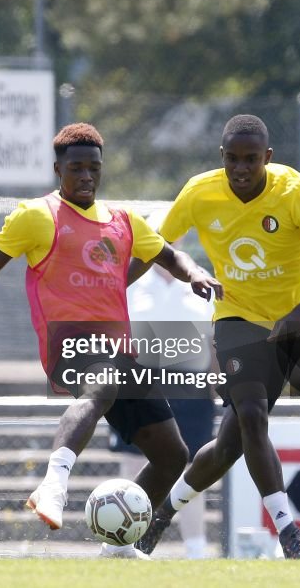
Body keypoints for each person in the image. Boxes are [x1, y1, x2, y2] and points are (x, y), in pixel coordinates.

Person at [0, 122, 222, 559]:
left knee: (171, 455)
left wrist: (194, 272)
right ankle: (54, 482)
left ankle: (118, 545)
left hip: (119, 354)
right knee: (103, 379)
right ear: (57, 170)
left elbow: (168, 253)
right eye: (76, 168)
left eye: (94, 168)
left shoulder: (123, 221)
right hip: (67, 343)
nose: (86, 176)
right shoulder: (37, 216)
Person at [132, 114, 300, 560]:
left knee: (230, 445)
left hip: (288, 327)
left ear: (267, 158)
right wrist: (111, 289)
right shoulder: (200, 192)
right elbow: (153, 246)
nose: (241, 169)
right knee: (252, 415)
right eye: (233, 159)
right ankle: (289, 532)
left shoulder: (295, 191)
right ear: (222, 157)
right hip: (234, 319)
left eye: (251, 159)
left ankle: (159, 518)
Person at [110, 233, 216, 559]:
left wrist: (216, 382)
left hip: (192, 388)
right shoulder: (127, 283)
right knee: (132, 465)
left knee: (192, 469)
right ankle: (126, 543)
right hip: (140, 386)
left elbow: (214, 337)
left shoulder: (201, 279)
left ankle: (195, 549)